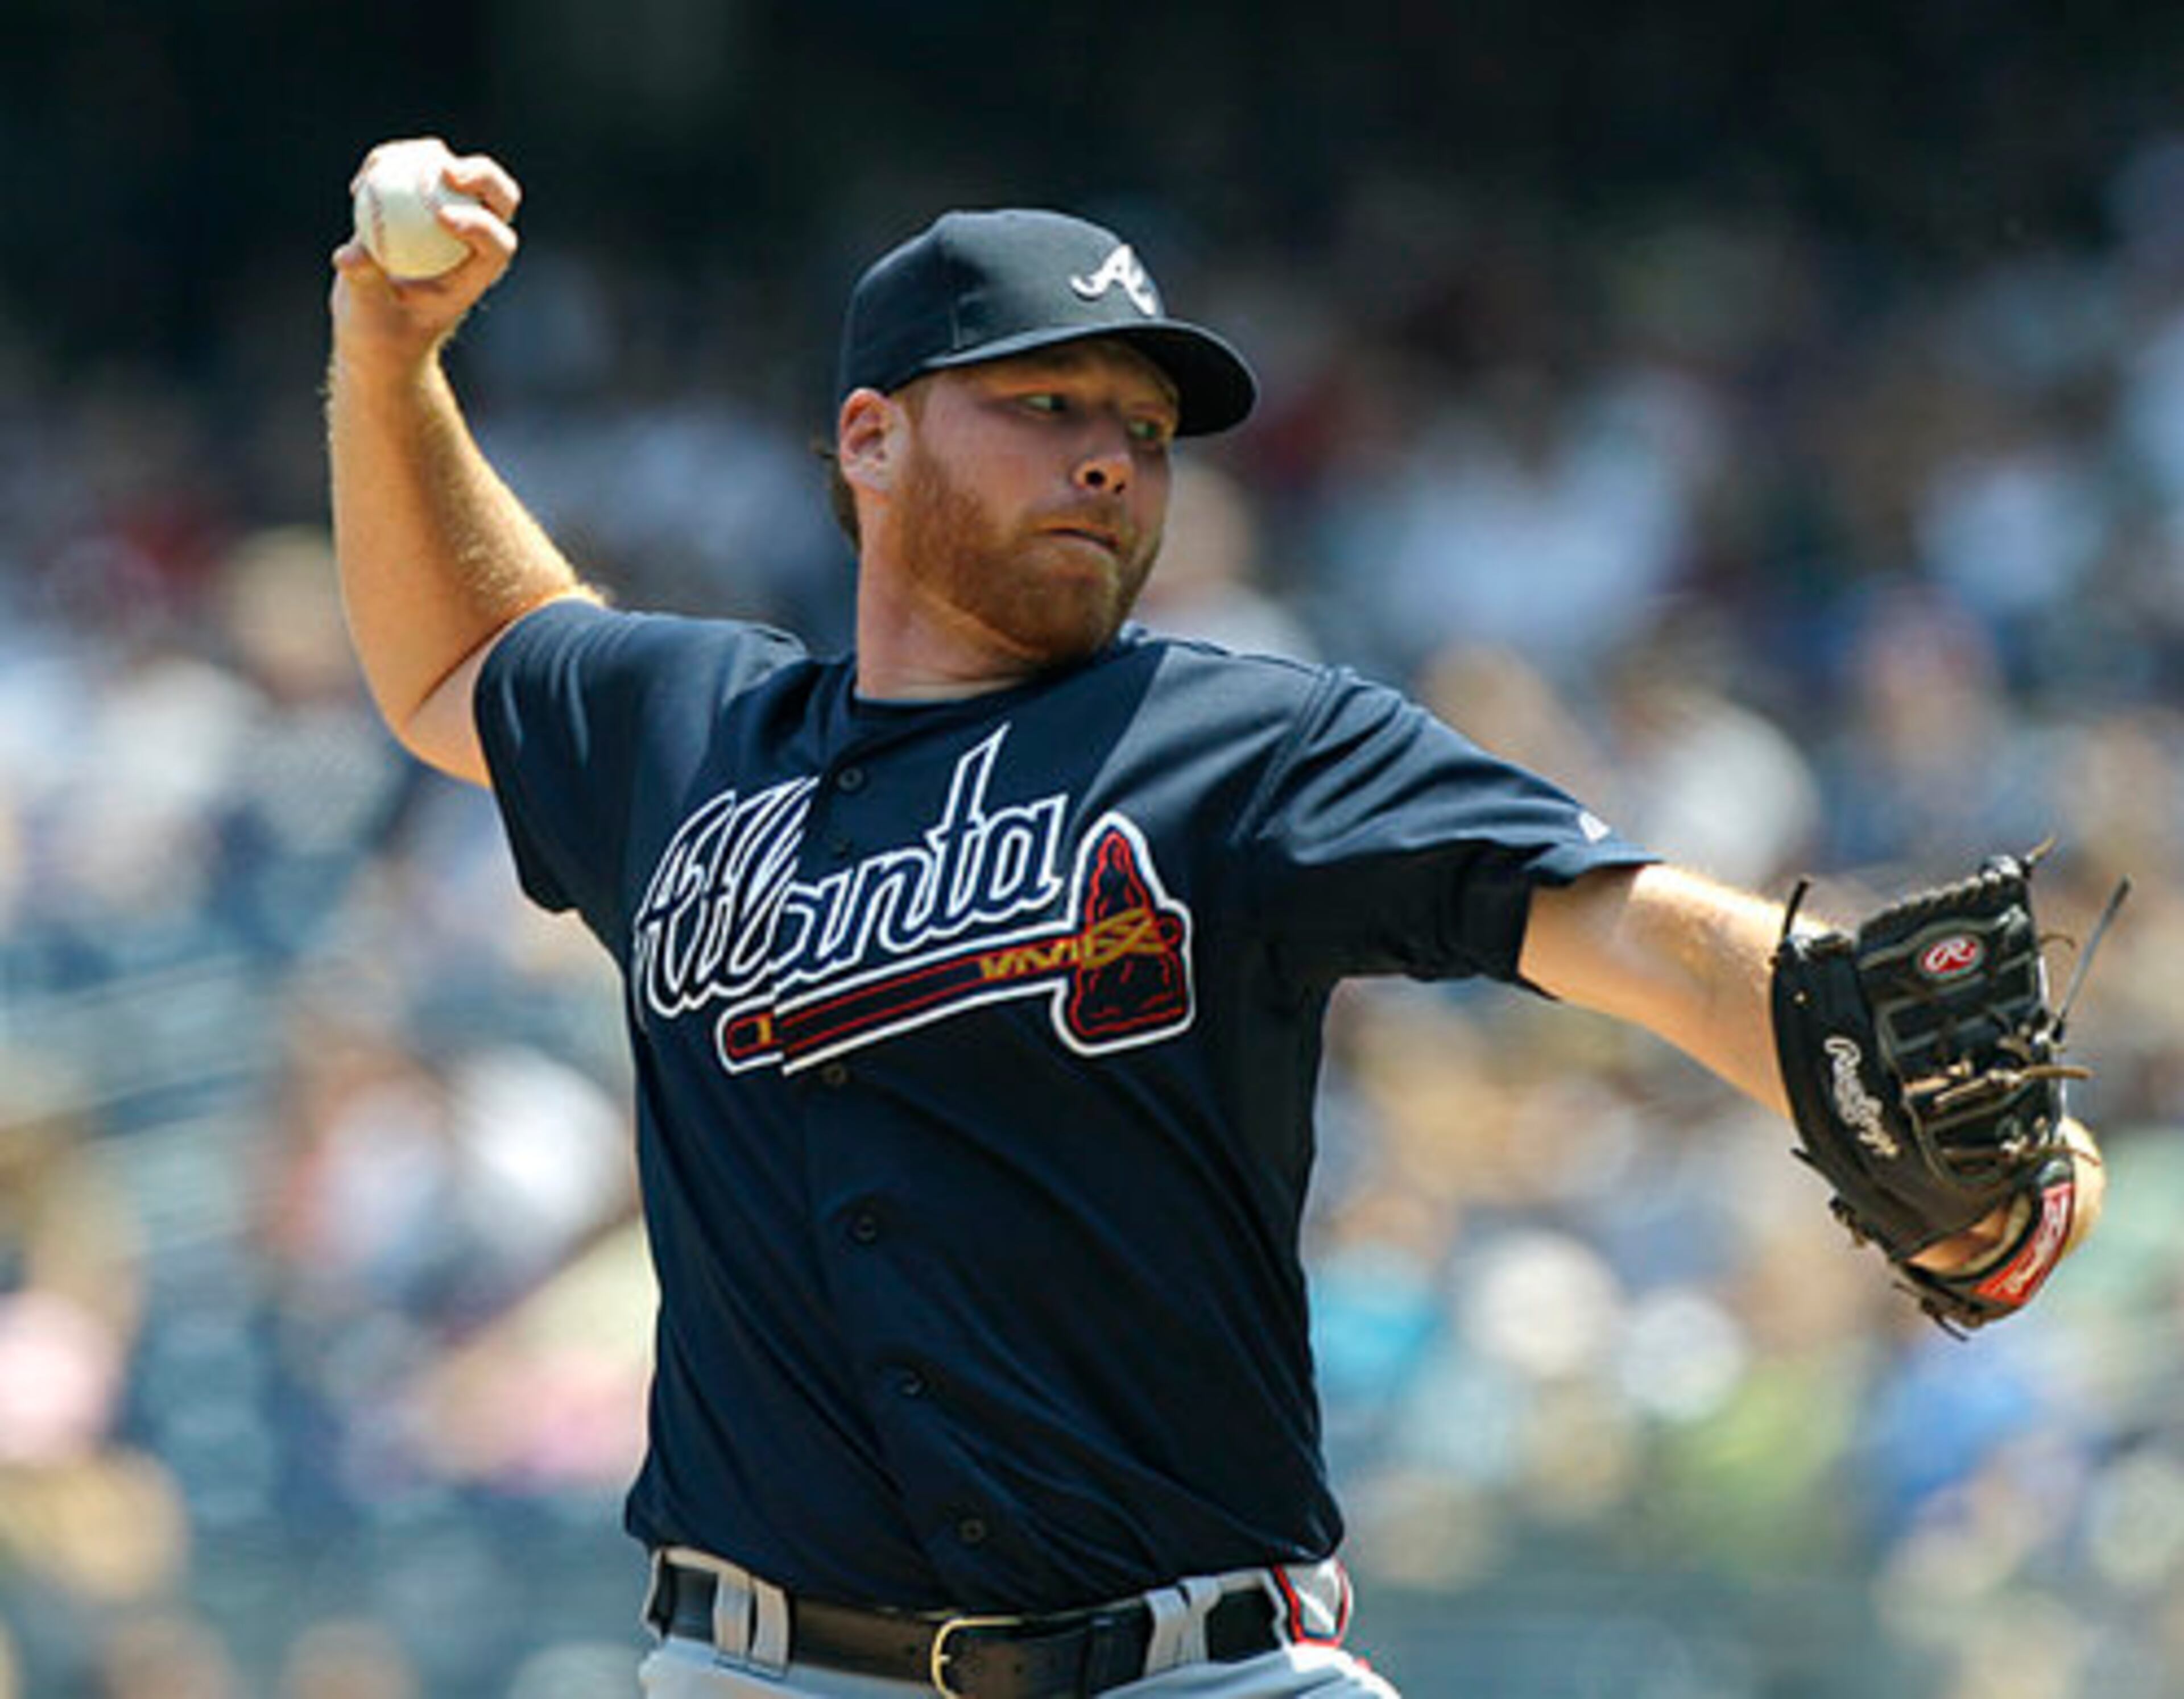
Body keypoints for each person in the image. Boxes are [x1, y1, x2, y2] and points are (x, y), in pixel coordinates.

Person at [324, 139, 2106, 1699]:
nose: (1112, 459)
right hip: (761, 1667)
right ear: (868, 437)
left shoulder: (1242, 743)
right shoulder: (689, 733)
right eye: (1048, 405)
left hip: (1200, 1666)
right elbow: (463, 655)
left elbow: (1608, 920)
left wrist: (1841, 1051)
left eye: (1146, 429)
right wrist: (389, 347)